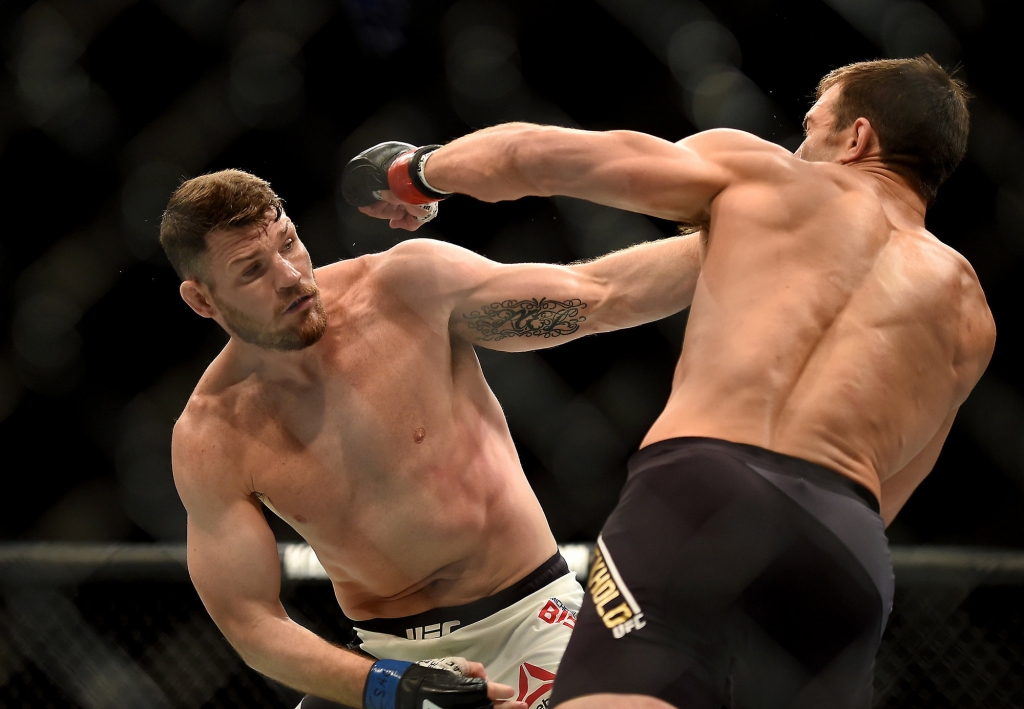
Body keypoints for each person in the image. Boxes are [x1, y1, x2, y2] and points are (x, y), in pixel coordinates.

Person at [353, 56, 995, 709]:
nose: (799, 146)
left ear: (856, 139)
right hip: (843, 544)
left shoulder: (769, 178)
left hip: (704, 490)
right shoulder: (970, 312)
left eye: (811, 126)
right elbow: (889, 492)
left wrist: (414, 172)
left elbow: (536, 153)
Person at [160, 167, 702, 708]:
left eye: (290, 243)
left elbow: (602, 294)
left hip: (532, 618)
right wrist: (387, 687)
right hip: (385, 656)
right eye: (252, 270)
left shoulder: (405, 291)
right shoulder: (212, 436)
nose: (291, 276)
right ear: (202, 300)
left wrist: (763, 217)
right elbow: (250, 621)